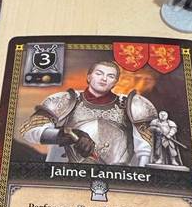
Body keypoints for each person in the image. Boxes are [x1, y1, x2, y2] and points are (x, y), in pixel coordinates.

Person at [20, 61, 157, 166]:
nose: (104, 79)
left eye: (110, 76)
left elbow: (146, 147)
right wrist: (64, 135)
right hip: (69, 176)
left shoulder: (132, 105)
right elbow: (29, 130)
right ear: (89, 77)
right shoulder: (64, 100)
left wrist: (140, 176)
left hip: (118, 177)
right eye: (99, 74)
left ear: (115, 82)